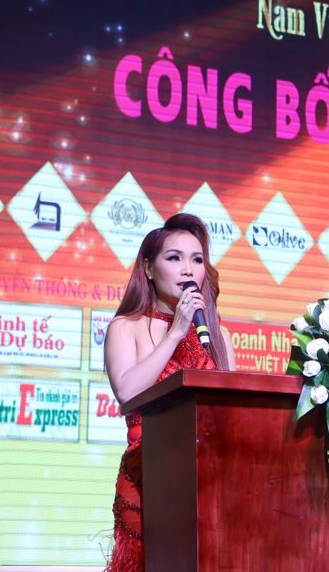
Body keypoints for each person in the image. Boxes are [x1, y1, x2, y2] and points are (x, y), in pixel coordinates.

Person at [103, 213, 236, 572]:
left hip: (210, 482)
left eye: (197, 260)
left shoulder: (218, 336)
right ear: (148, 268)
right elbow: (127, 392)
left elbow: (232, 412)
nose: (187, 269)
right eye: (174, 258)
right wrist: (176, 332)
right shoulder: (126, 326)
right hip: (149, 477)